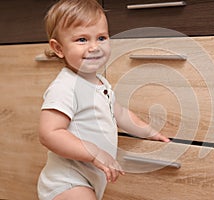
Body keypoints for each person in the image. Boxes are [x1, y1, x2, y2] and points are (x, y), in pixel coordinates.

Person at [37, 0, 170, 199]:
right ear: (59, 48)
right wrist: (95, 153)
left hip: (89, 179)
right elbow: (49, 133)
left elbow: (120, 114)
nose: (94, 47)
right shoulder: (65, 87)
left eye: (101, 38)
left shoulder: (101, 83)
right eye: (82, 40)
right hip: (67, 180)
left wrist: (149, 132)